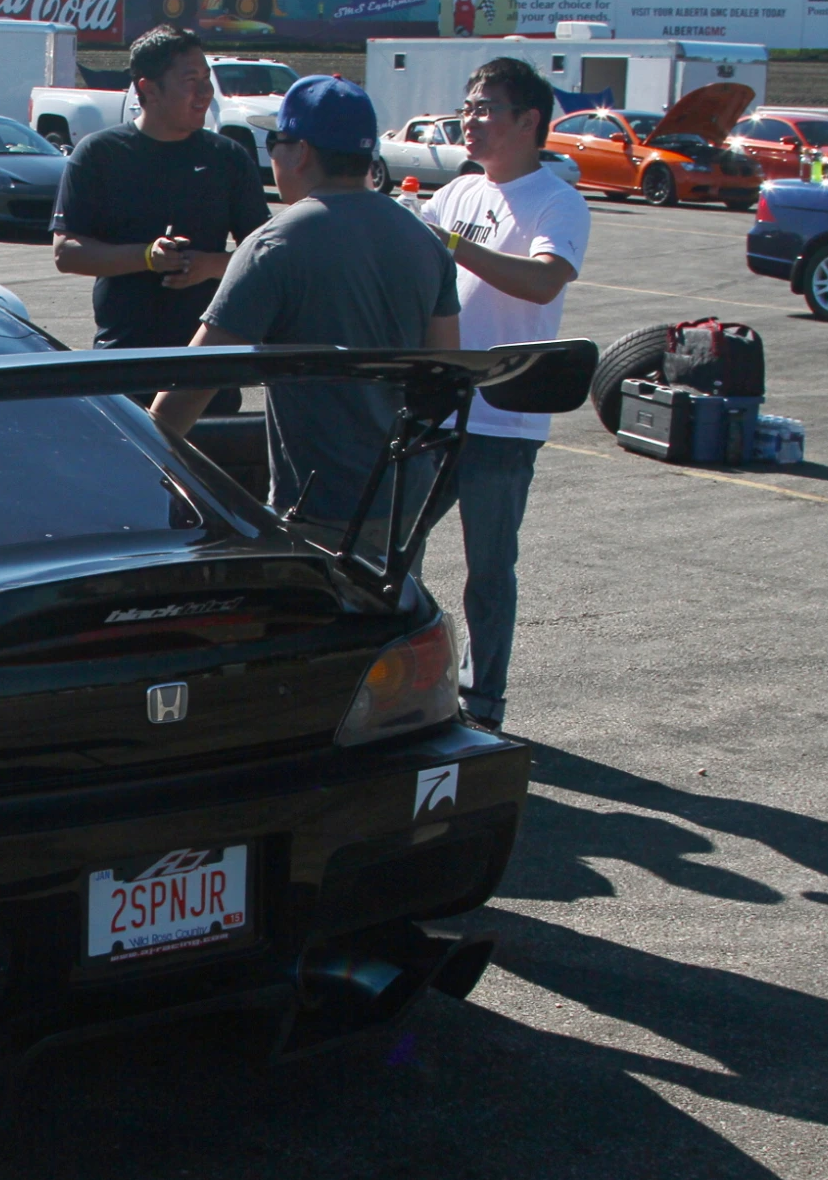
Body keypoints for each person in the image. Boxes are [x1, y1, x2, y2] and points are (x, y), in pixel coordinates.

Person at [150, 75, 458, 530]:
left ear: (302, 152)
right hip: (402, 500)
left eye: (276, 141)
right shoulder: (424, 239)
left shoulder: (276, 244)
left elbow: (195, 381)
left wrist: (139, 455)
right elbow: (445, 372)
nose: (271, 155)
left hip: (319, 505)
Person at [416, 57, 590, 734]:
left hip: (504, 415)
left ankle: (483, 701)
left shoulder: (556, 200)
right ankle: (411, 679)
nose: (471, 119)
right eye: (468, 106)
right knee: (397, 547)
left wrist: (451, 246)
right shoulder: (459, 190)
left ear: (529, 122)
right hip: (439, 404)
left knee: (489, 568)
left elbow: (544, 281)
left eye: (486, 108)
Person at [52, 26, 271, 356]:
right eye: (190, 81)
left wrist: (209, 265)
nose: (205, 92)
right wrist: (147, 257)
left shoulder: (228, 158)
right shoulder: (99, 153)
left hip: (208, 359)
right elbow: (66, 252)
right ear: (149, 89)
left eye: (206, 79)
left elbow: (264, 256)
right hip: (124, 357)